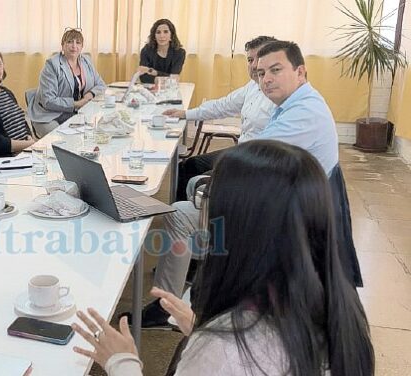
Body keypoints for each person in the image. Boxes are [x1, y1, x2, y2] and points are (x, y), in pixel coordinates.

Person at [72, 140, 375, 376]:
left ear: (238, 229)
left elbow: (237, 357)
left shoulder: (224, 350)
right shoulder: (344, 312)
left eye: (209, 200)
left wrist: (121, 362)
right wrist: (203, 329)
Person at [137, 40, 361, 329]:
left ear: (301, 72)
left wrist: (206, 186)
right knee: (188, 200)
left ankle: (181, 308)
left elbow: (250, 159)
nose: (265, 78)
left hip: (284, 221)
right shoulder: (298, 102)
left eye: (275, 70)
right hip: (282, 201)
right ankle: (176, 299)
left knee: (184, 207)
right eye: (261, 71)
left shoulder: (304, 113)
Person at [163, 36, 277, 200]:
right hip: (242, 151)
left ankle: (193, 213)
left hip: (254, 162)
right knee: (187, 166)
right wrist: (185, 114)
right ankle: (180, 213)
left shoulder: (278, 96)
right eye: (250, 59)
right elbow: (222, 106)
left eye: (258, 59)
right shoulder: (252, 86)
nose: (253, 65)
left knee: (199, 182)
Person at [28, 28, 106, 136]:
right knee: (60, 139)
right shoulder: (52, 65)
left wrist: (88, 96)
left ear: (82, 46)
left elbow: (101, 85)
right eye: (69, 42)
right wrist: (76, 104)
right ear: (63, 45)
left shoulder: (86, 61)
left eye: (78, 42)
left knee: (96, 130)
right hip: (48, 114)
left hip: (74, 112)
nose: (74, 46)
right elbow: (48, 100)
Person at [138, 19, 186, 84]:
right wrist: (161, 79)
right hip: (150, 88)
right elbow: (143, 77)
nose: (161, 36)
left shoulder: (180, 52)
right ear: (154, 36)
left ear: (171, 35)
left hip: (170, 89)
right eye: (158, 32)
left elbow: (174, 78)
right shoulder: (146, 50)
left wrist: (154, 72)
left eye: (165, 32)